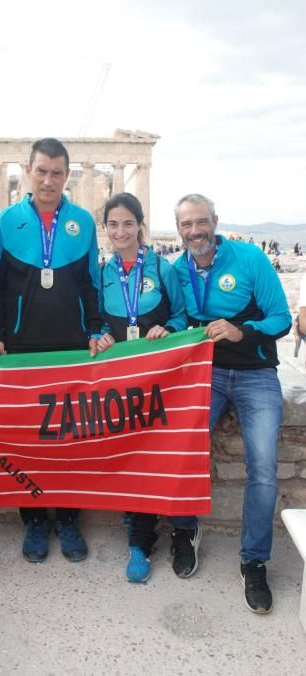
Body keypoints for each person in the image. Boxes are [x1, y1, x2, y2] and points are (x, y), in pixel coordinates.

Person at [0, 138, 102, 564]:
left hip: (71, 349)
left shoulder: (83, 222)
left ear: (66, 176)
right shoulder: (6, 222)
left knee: (70, 439)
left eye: (56, 173)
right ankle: (33, 519)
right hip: (21, 349)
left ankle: (68, 518)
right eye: (41, 171)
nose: (48, 180)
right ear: (28, 171)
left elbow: (90, 282)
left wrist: (95, 329)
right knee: (26, 439)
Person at [172, 193, 291, 614]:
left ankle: (253, 560)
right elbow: (175, 322)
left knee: (263, 465)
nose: (195, 231)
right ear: (179, 229)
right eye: (186, 225)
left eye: (201, 222)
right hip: (206, 376)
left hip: (257, 374)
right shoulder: (176, 270)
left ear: (215, 222)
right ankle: (185, 532)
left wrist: (243, 332)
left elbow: (282, 318)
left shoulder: (250, 259)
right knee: (183, 452)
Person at [95, 192, 188, 583]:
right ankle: (134, 517)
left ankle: (140, 541)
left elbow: (183, 316)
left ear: (140, 225)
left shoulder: (163, 269)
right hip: (120, 382)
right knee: (125, 451)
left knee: (149, 454)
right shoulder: (102, 273)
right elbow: (99, 321)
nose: (121, 231)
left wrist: (168, 330)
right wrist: (99, 335)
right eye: (113, 224)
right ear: (106, 229)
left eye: (128, 223)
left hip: (158, 379)